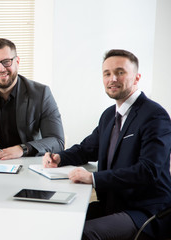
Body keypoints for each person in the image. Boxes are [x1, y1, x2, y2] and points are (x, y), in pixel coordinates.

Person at [43, 49, 171, 239]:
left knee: (82, 234)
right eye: (107, 73)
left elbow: (148, 170)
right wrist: (59, 157)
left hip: (144, 211)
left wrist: (93, 178)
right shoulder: (109, 115)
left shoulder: (154, 116)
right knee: (58, 222)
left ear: (137, 77)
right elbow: (87, 149)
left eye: (120, 72)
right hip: (112, 204)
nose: (113, 79)